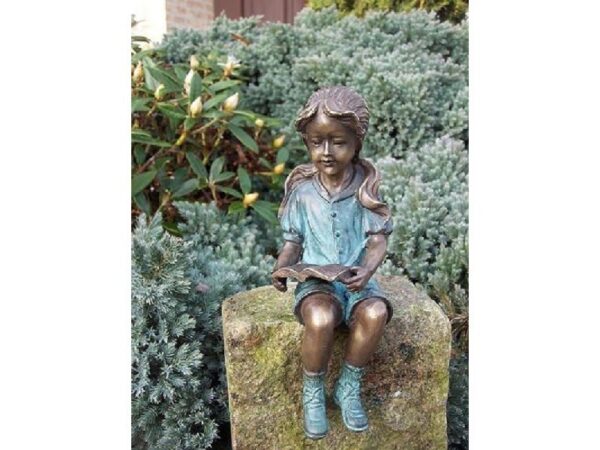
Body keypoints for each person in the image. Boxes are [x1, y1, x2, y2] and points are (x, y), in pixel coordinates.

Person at [271, 86, 394, 440]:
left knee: (374, 313)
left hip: (356, 279)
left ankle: (348, 385)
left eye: (337, 142)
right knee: (321, 317)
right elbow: (292, 242)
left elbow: (377, 239)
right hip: (317, 282)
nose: (325, 152)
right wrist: (281, 268)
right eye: (315, 142)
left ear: (357, 143)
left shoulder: (364, 191)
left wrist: (367, 271)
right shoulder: (303, 192)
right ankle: (313, 391)